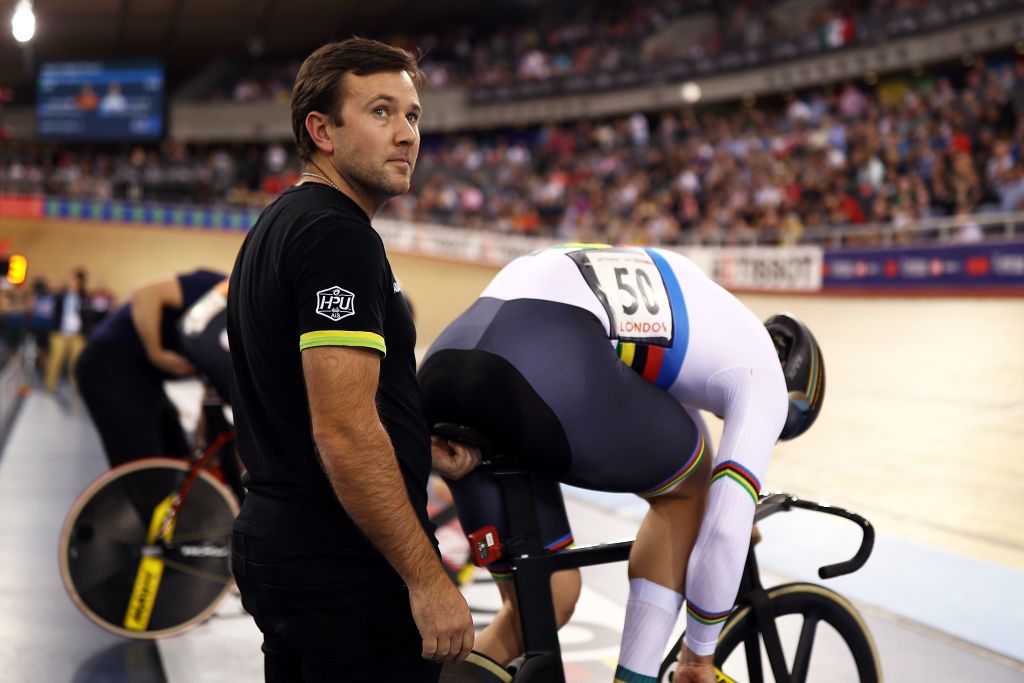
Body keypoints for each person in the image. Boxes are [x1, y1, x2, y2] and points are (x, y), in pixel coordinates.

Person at [418, 243, 826, 683]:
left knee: (544, 601)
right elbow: (723, 527)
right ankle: (635, 678)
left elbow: (665, 425)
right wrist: (698, 657)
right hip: (542, 358)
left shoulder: (695, 320)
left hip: (449, 367)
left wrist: (726, 504)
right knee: (685, 491)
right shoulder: (761, 371)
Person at [226, 38, 475, 682]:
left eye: (413, 116)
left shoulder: (281, 222)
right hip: (341, 564)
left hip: (282, 545)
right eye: (382, 112)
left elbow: (302, 398)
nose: (406, 135)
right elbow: (341, 428)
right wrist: (427, 577)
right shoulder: (337, 236)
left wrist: (416, 441)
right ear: (322, 130)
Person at [75, 269, 227, 468]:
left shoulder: (236, 343)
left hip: (145, 375)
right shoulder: (218, 289)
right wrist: (156, 352)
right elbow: (146, 294)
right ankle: (146, 494)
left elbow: (211, 398)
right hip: (110, 359)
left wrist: (204, 452)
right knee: (146, 467)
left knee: (177, 459)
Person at [45, 268, 90, 392]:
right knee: (56, 359)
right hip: (60, 332)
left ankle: (76, 387)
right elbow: (54, 311)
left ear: (80, 281)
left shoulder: (84, 297)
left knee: (76, 362)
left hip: (77, 334)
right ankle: (50, 385)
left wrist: (84, 330)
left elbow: (87, 315)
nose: (71, 281)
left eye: (74, 279)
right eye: (70, 279)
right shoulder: (61, 295)